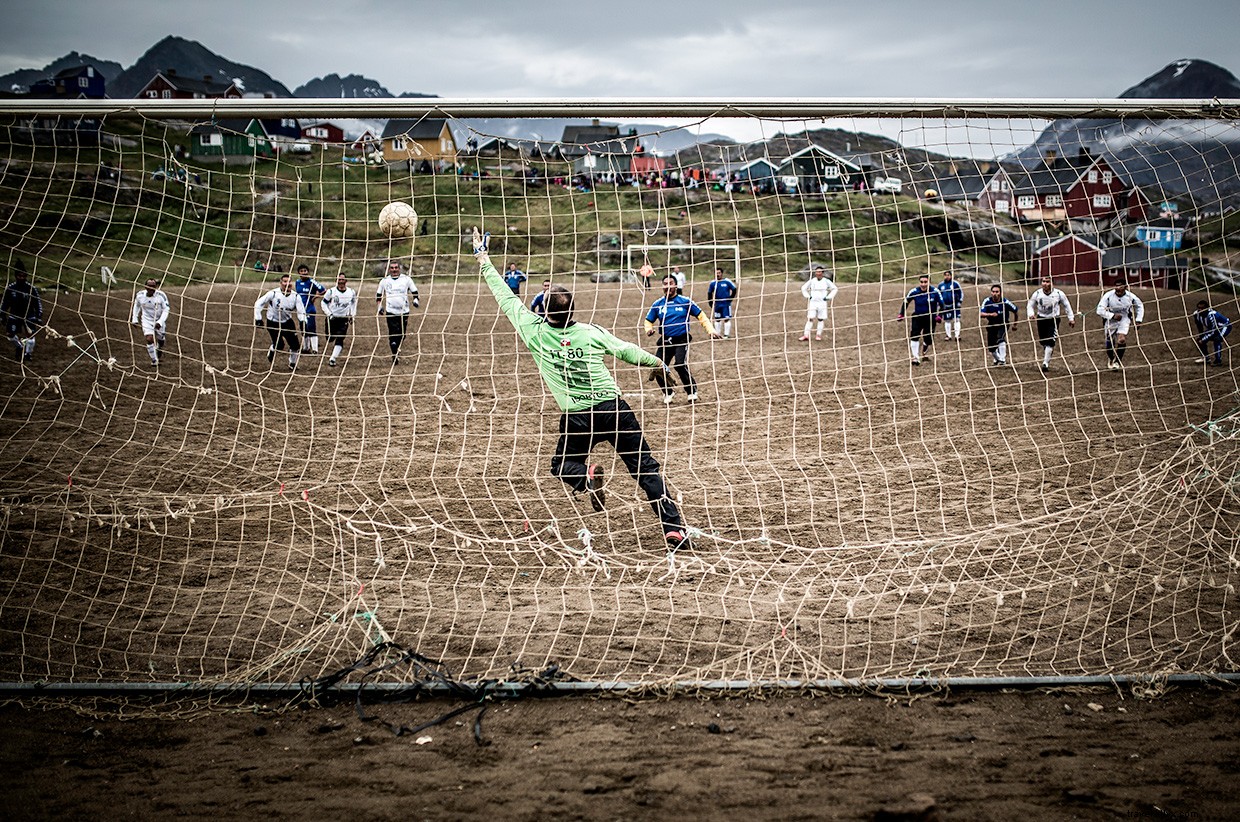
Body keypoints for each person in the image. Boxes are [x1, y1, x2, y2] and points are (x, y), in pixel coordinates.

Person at [470, 227, 693, 552]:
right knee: (646, 470)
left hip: (577, 416)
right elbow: (628, 350)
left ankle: (585, 475)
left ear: (542, 311)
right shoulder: (591, 332)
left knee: (561, 464)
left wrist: (483, 258)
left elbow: (504, 296)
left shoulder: (533, 331)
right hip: (614, 409)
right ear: (572, 311)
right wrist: (659, 365)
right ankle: (674, 530)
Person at [645, 275, 720, 404]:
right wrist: (649, 329)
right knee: (657, 367)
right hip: (666, 340)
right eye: (665, 283)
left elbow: (701, 316)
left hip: (681, 339)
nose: (668, 286)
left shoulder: (685, 301)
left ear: (676, 285)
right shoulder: (658, 304)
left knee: (679, 364)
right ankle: (668, 392)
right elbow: (648, 320)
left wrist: (711, 330)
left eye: (671, 283)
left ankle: (691, 391)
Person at [254, 273, 307, 370]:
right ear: (280, 283)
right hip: (273, 322)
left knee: (295, 345)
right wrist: (258, 318)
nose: (287, 284)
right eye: (285, 281)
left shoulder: (296, 296)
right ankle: (272, 350)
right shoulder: (273, 293)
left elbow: (301, 311)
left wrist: (303, 322)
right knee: (279, 345)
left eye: (289, 281)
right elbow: (258, 303)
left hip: (287, 322)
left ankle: (292, 364)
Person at [1026, 277, 1076, 373]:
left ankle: (1045, 363)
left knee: (1050, 340)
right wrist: (1031, 314)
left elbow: (1067, 305)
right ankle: (1048, 352)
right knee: (1043, 341)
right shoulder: (1037, 293)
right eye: (1043, 281)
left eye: (1047, 281)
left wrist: (1071, 318)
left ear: (1052, 283)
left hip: (1054, 319)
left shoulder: (1059, 294)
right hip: (1041, 318)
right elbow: (1030, 304)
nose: (1045, 284)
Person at [375, 260, 420, 364]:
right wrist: (379, 307)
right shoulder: (385, 281)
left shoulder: (406, 279)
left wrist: (415, 300)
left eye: (396, 268)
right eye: (392, 268)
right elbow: (378, 295)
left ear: (399, 269)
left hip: (404, 311)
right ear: (389, 269)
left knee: (402, 334)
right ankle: (394, 354)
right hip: (390, 311)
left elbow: (415, 291)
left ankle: (396, 350)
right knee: (393, 333)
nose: (394, 270)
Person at [1095, 279, 1144, 371]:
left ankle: (1117, 361)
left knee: (1121, 340)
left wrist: (1138, 320)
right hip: (1110, 319)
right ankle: (1110, 358)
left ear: (1125, 287)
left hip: (1124, 319)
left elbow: (1140, 305)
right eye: (1116, 286)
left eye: (1120, 286)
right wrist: (1112, 315)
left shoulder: (1131, 297)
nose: (1118, 288)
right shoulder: (1108, 296)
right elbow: (1099, 310)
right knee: (1110, 342)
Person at [896, 274, 941, 365]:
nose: (923, 284)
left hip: (930, 318)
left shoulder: (935, 292)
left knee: (928, 338)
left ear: (929, 282)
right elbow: (906, 302)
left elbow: (942, 304)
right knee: (914, 335)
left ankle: (925, 347)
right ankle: (915, 358)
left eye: (925, 282)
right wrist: (901, 314)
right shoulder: (914, 291)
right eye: (921, 282)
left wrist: (939, 315)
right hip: (917, 317)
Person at [2, 267, 42, 362]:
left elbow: (37, 302)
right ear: (16, 276)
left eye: (23, 276)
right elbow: (5, 303)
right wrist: (2, 315)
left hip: (29, 315)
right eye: (19, 276)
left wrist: (39, 315)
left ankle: (28, 353)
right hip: (14, 315)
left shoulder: (31, 289)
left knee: (30, 335)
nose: (21, 278)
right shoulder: (10, 288)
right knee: (10, 334)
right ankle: (19, 347)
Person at [130, 277, 171, 367]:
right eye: (150, 286)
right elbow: (136, 306)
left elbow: (166, 309)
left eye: (154, 286)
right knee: (149, 339)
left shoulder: (161, 295)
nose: (152, 288)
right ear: (145, 287)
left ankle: (159, 348)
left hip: (159, 319)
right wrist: (134, 319)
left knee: (161, 339)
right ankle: (154, 360)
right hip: (146, 320)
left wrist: (160, 322)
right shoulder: (140, 295)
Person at [320, 273, 358, 367]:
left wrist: (352, 315)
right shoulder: (331, 292)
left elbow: (354, 303)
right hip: (332, 318)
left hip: (343, 318)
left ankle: (333, 358)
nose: (341, 282)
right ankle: (331, 338)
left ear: (346, 281)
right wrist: (329, 314)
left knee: (340, 338)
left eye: (342, 280)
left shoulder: (351, 292)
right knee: (330, 338)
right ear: (336, 281)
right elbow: (323, 303)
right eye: (339, 280)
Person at [979, 284, 1020, 366]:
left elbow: (1015, 311)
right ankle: (998, 359)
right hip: (991, 325)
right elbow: (981, 314)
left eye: (997, 292)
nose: (995, 293)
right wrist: (990, 315)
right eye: (993, 292)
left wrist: (1015, 324)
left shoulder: (1005, 302)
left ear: (1000, 293)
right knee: (991, 347)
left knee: (1000, 338)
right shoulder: (987, 301)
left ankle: (1003, 358)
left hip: (1003, 324)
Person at [799, 266, 838, 342]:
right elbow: (803, 288)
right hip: (813, 302)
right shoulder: (812, 281)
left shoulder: (826, 281)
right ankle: (806, 335)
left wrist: (828, 297)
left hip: (822, 303)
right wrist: (808, 296)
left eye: (820, 272)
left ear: (822, 273)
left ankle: (818, 335)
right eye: (817, 272)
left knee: (820, 319)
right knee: (810, 318)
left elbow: (835, 288)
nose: (818, 273)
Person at [293, 263, 326, 354]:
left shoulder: (311, 282)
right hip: (301, 310)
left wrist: (315, 297)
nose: (303, 272)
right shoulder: (297, 282)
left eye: (305, 271)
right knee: (303, 329)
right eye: (301, 271)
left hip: (309, 309)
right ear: (299, 273)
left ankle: (315, 349)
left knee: (311, 329)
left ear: (308, 272)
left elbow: (323, 290)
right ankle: (305, 348)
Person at [1193, 300, 1232, 366]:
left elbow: (1213, 331)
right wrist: (1201, 336)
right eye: (1198, 308)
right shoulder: (1196, 314)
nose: (1200, 310)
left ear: (1207, 309)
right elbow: (1199, 326)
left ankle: (1218, 361)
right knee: (1199, 339)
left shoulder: (1212, 316)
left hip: (1225, 326)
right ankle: (1206, 358)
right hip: (1213, 328)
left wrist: (1203, 339)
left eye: (1202, 308)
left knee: (1217, 339)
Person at [706, 267, 738, 339]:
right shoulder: (713, 283)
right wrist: (710, 302)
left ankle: (726, 335)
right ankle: (717, 334)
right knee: (717, 319)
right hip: (717, 304)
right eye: (716, 273)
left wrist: (730, 298)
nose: (717, 274)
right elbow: (709, 293)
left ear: (722, 273)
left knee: (726, 319)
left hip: (725, 304)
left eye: (719, 273)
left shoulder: (726, 281)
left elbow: (734, 289)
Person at [936, 271, 965, 341]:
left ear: (951, 276)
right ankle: (948, 336)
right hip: (945, 305)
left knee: (956, 320)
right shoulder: (941, 285)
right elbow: (938, 295)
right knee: (947, 320)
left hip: (955, 305)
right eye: (945, 275)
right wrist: (939, 304)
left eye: (948, 275)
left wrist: (959, 302)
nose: (947, 276)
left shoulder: (955, 284)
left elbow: (960, 292)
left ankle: (957, 335)